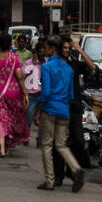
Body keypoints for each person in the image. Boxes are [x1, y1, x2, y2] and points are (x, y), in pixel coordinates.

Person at [34, 36, 85, 193]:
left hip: (50, 109)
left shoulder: (48, 67)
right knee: (61, 145)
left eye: (48, 47)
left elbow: (46, 92)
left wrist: (38, 111)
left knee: (47, 145)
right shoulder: (69, 69)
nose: (46, 50)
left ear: (52, 49)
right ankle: (76, 169)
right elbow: (71, 95)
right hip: (64, 110)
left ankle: (49, 180)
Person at [53, 35, 95, 183]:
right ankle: (58, 175)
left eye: (69, 48)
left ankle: (72, 170)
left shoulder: (75, 64)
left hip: (74, 108)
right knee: (58, 143)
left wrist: (79, 49)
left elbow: (92, 66)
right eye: (64, 48)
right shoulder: (55, 64)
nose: (67, 50)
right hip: (59, 107)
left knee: (78, 140)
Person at [0, 31, 29, 157]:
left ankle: (2, 148)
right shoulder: (14, 58)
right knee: (11, 119)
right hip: (13, 92)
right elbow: (20, 77)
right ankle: (9, 147)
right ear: (10, 44)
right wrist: (25, 93)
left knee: (0, 119)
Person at [22, 41, 43, 145]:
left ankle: (39, 140)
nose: (42, 54)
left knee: (43, 120)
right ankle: (26, 137)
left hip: (44, 96)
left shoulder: (49, 63)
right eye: (40, 52)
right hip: (32, 96)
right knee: (29, 119)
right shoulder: (30, 63)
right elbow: (21, 74)